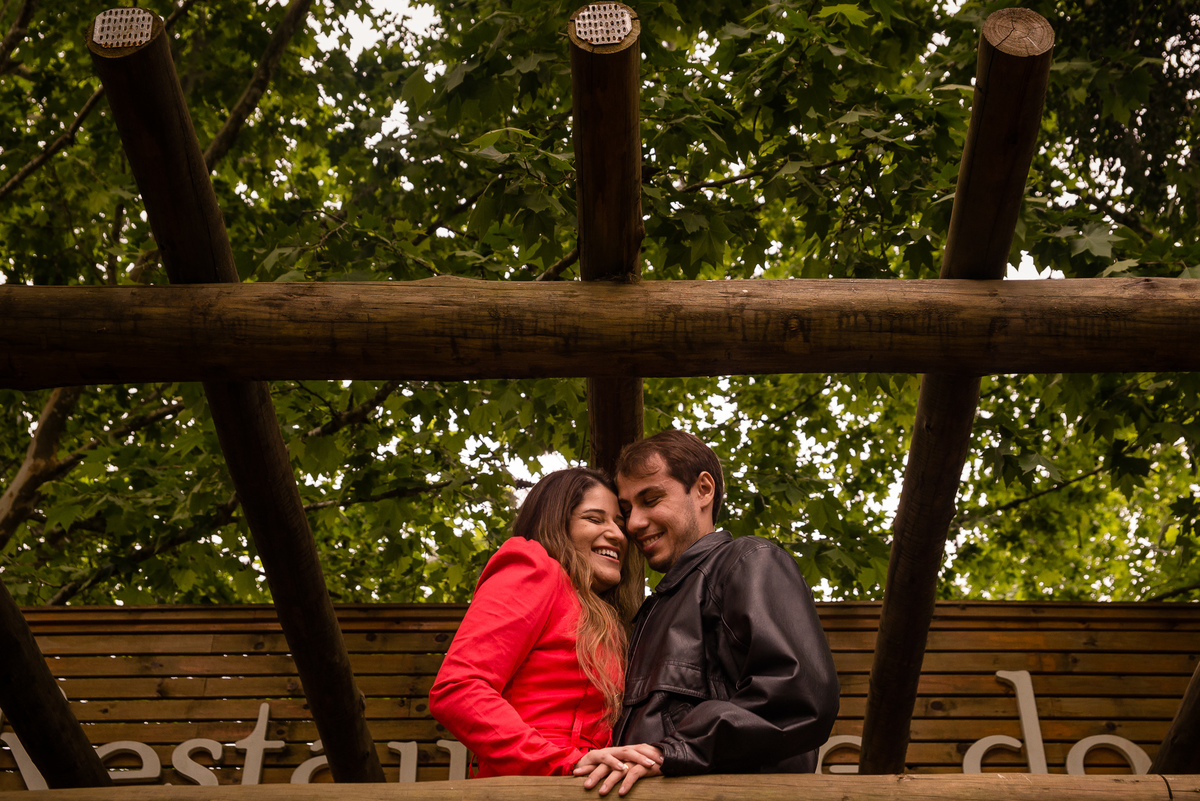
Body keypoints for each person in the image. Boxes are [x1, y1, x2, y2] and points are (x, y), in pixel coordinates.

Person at [575, 430, 840, 795]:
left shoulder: (747, 561)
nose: (633, 523)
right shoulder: (654, 609)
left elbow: (799, 696)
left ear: (703, 490)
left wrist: (673, 751)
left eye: (651, 499)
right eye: (627, 510)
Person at [428, 467, 657, 778]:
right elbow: (458, 689)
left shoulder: (598, 612)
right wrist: (563, 761)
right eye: (594, 518)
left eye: (619, 523)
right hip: (532, 783)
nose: (618, 534)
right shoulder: (533, 568)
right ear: (557, 523)